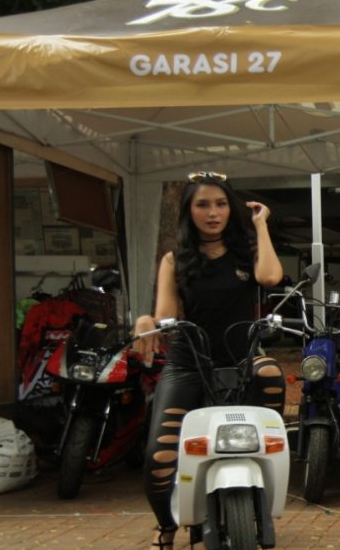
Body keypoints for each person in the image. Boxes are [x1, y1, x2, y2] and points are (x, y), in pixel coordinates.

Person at [133, 171, 285, 549]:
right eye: (202, 205)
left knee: (270, 372)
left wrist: (260, 224)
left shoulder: (247, 252)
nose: (213, 213)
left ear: (231, 209)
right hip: (188, 364)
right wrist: (146, 320)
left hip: (241, 360)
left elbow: (271, 277)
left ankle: (267, 453)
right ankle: (166, 525)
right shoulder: (174, 259)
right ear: (190, 211)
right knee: (157, 459)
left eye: (220, 204)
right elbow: (165, 315)